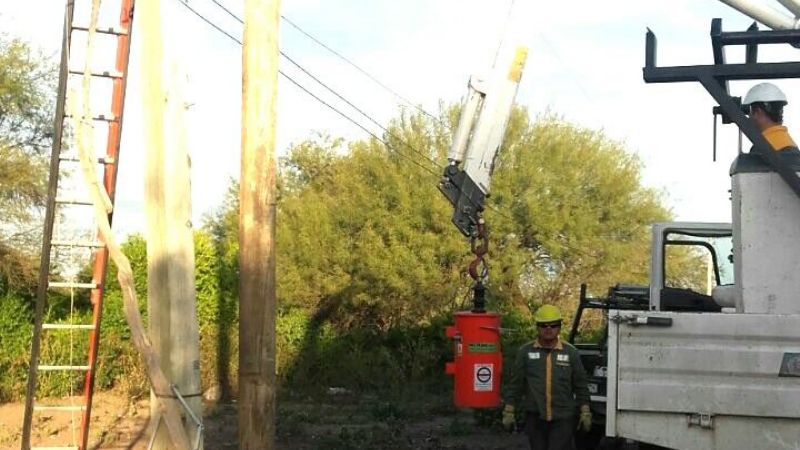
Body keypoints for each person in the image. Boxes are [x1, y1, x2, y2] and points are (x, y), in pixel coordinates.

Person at [502, 304, 591, 450]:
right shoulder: (525, 352)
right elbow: (515, 384)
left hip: (563, 418)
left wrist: (585, 412)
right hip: (535, 418)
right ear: (537, 327)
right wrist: (509, 411)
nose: (548, 329)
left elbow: (581, 385)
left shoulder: (571, 353)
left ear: (559, 327)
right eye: (544, 325)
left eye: (553, 325)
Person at [742, 82, 798, 151]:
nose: (749, 117)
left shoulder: (763, 148)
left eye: (750, 112)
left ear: (757, 112)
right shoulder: (789, 143)